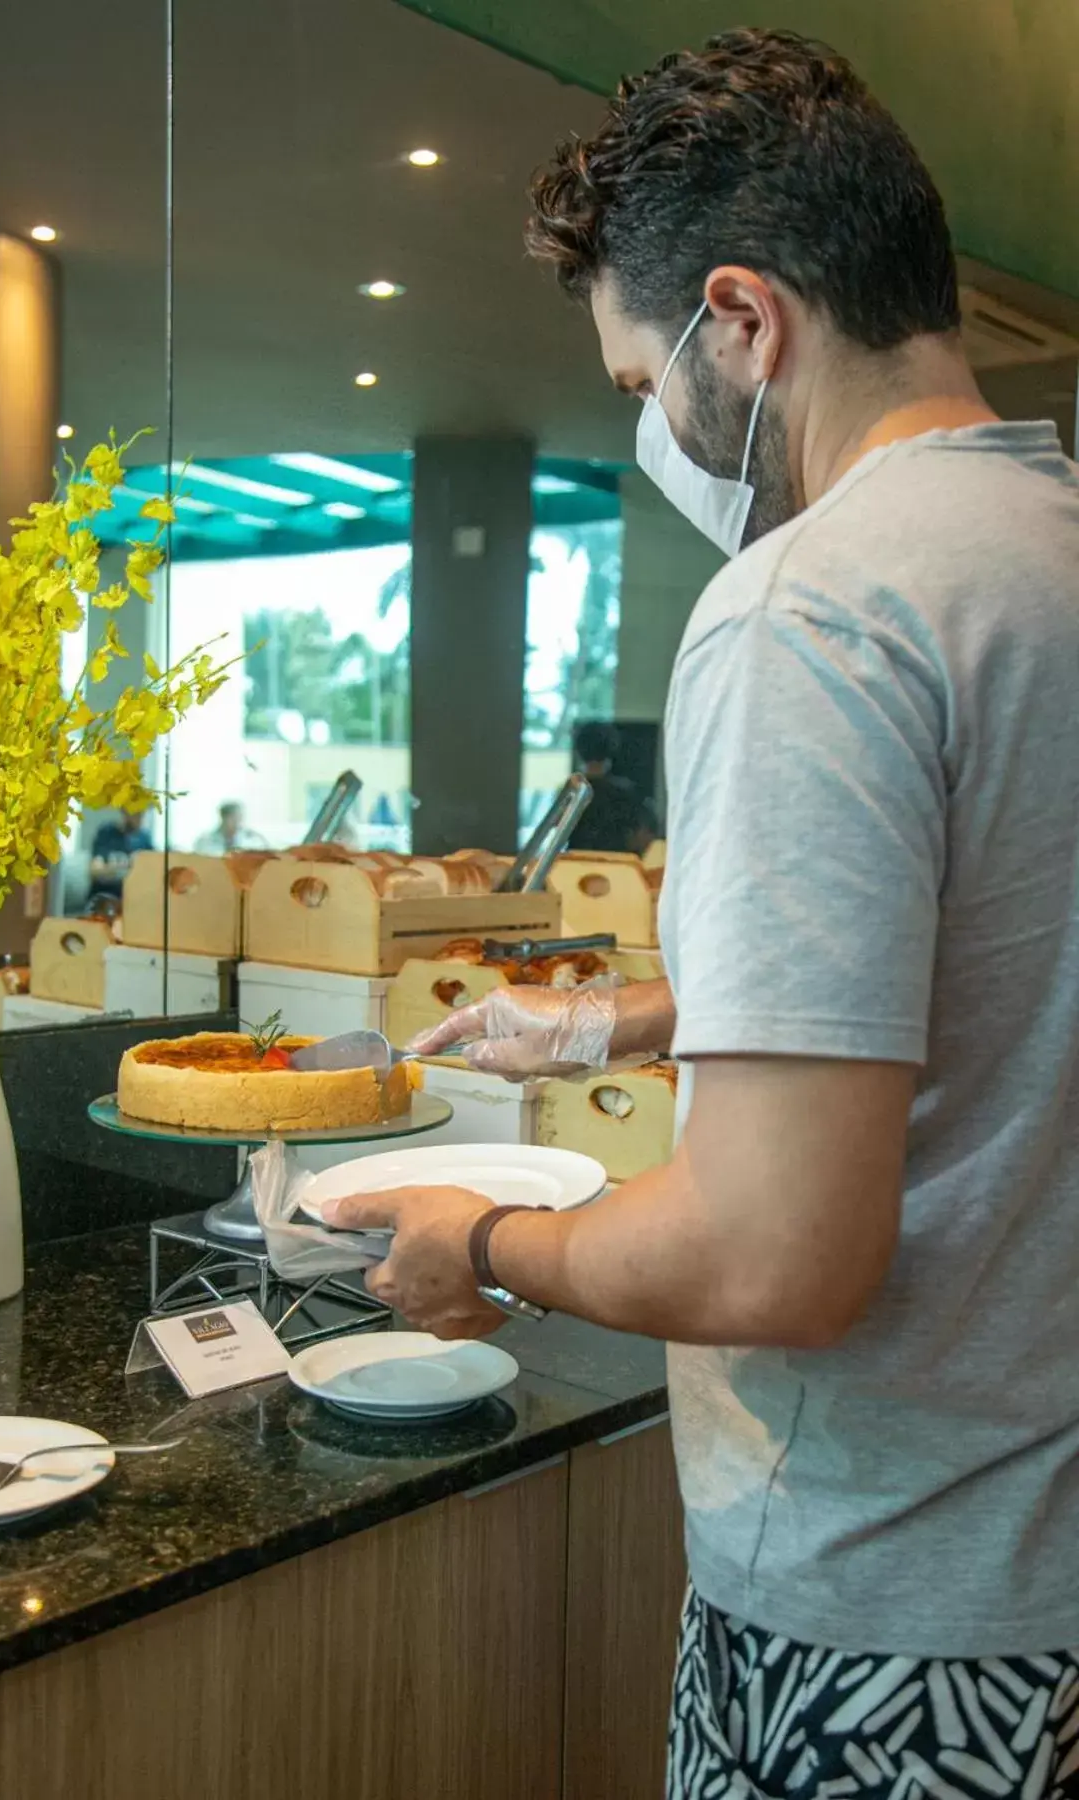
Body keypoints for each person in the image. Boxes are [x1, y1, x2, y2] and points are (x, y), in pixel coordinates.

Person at [321, 29, 1079, 1797]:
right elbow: (1007, 962)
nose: (649, 429)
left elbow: (769, 1257)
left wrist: (479, 1244)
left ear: (743, 321)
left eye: (636, 382)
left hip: (883, 1604)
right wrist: (631, 1023)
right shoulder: (1046, 557)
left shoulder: (809, 609)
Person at [567, 721, 656, 856]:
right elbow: (643, 836)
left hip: (577, 865)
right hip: (615, 867)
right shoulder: (627, 792)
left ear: (579, 750)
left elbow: (557, 827)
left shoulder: (573, 792)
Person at [88, 809, 153, 902]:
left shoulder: (145, 839)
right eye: (136, 814)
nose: (139, 819)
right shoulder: (107, 832)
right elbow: (94, 870)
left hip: (134, 900)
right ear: (124, 812)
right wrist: (122, 869)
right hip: (105, 898)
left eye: (142, 815)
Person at [194, 801, 266, 856]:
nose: (238, 822)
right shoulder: (205, 841)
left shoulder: (255, 839)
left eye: (240, 817)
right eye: (234, 818)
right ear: (224, 818)